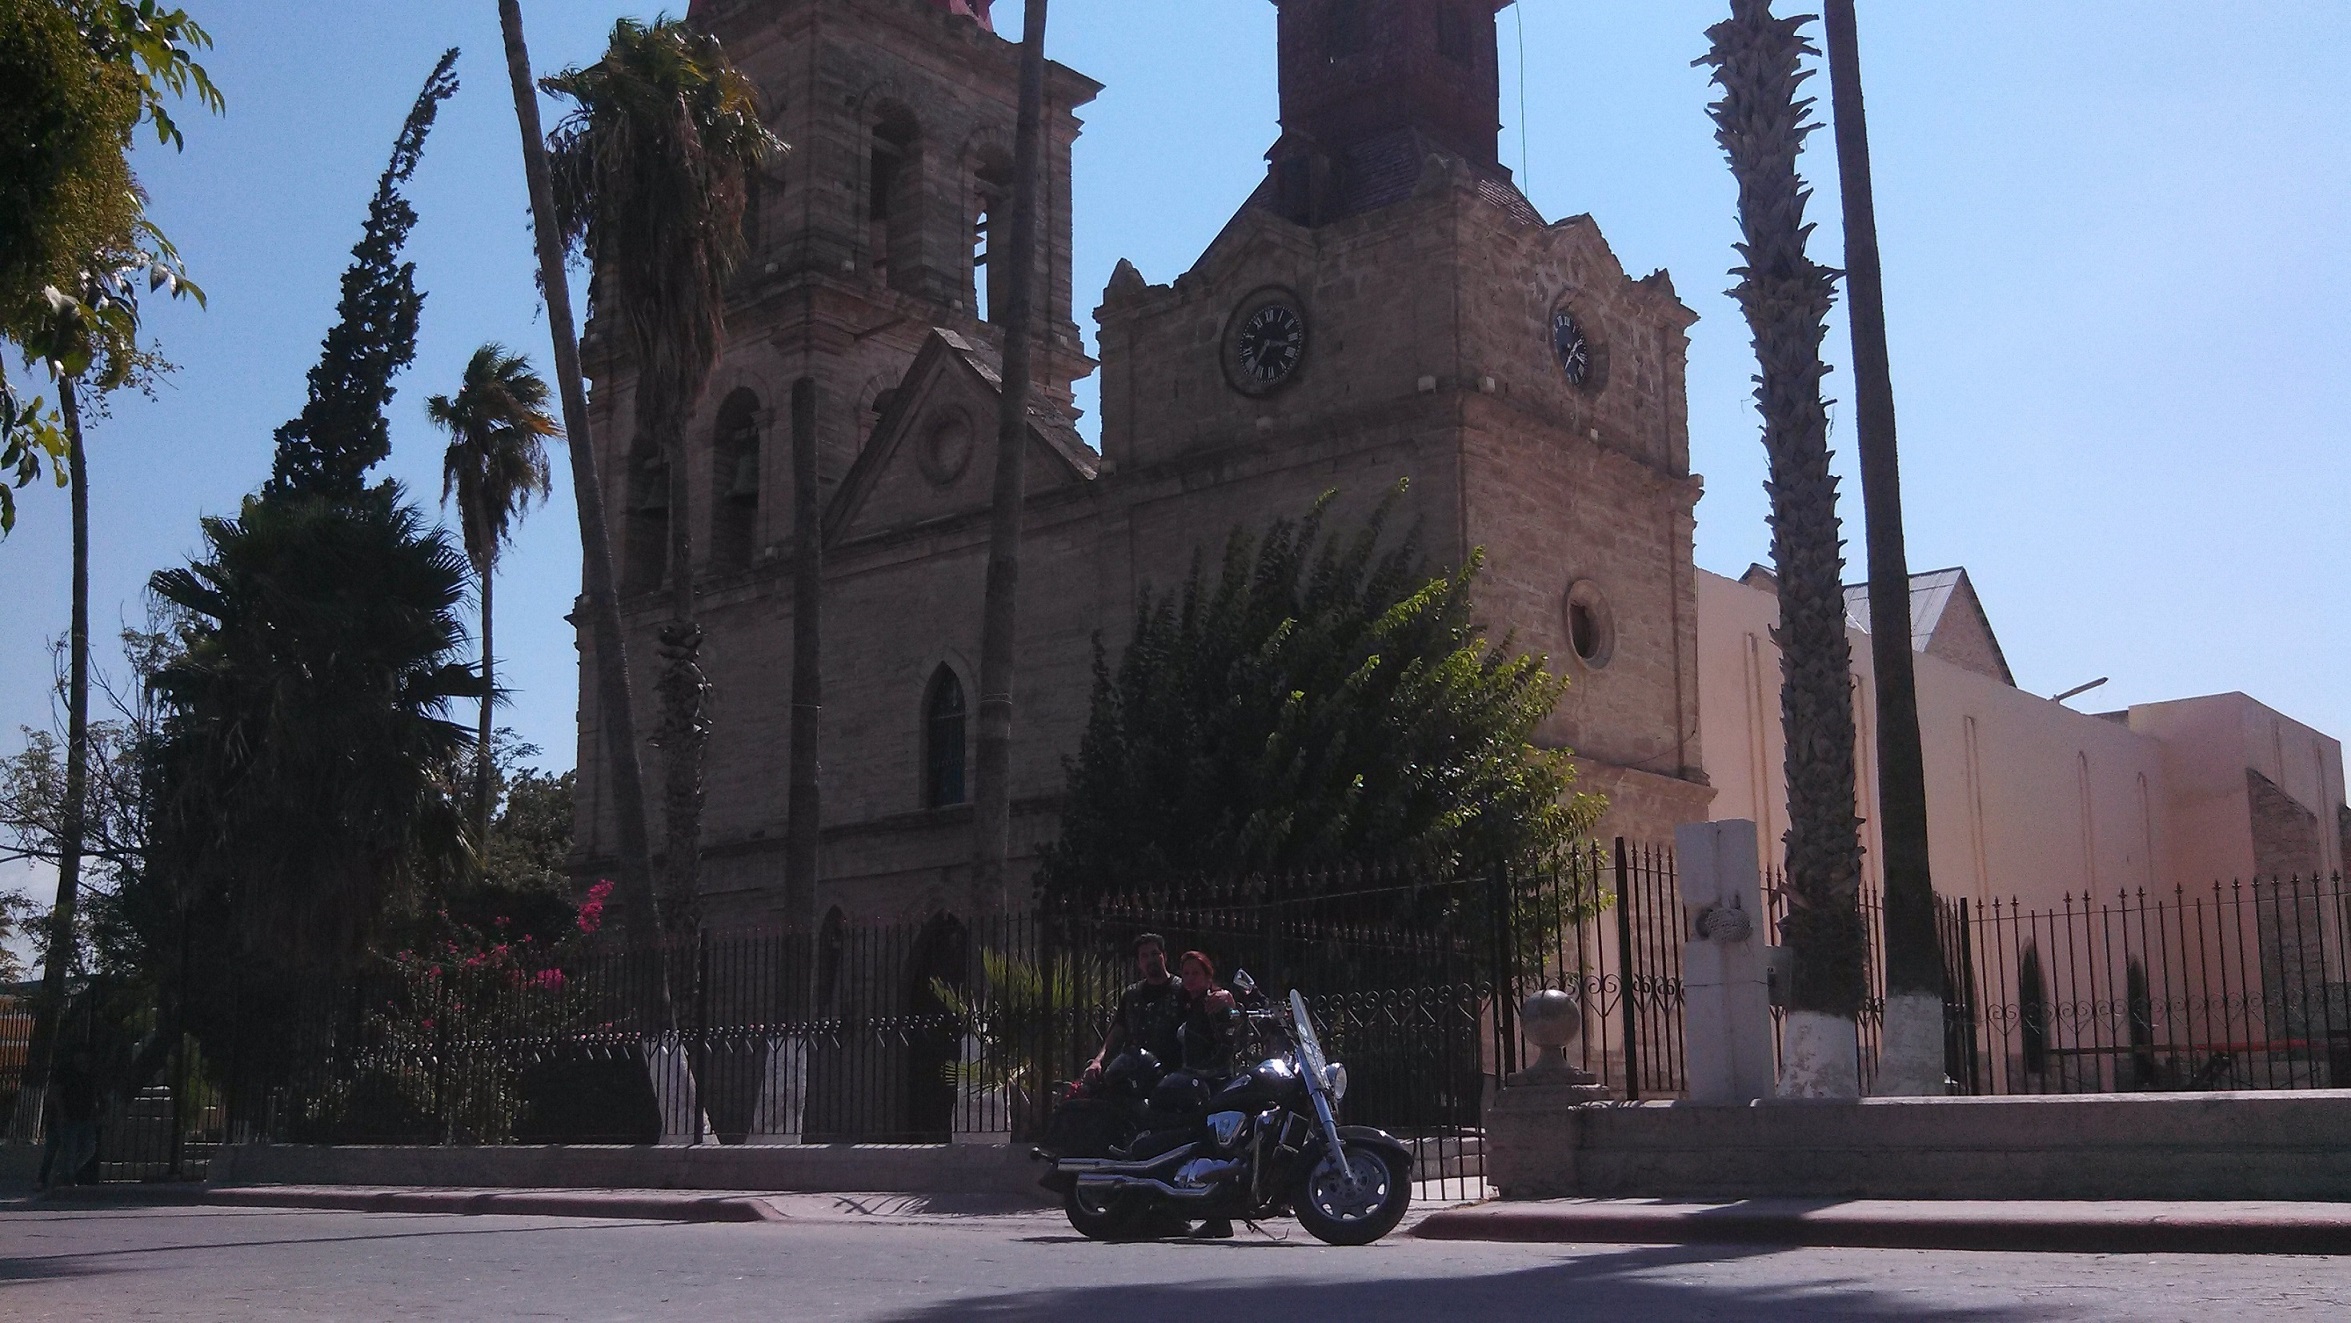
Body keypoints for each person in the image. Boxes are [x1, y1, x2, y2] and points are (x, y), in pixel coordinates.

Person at [1081, 933, 1185, 1091]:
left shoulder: (1183, 990)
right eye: (1144, 956)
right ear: (1139, 963)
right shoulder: (1132, 994)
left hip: (1172, 1076)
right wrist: (1098, 1061)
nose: (1150, 959)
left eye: (1154, 954)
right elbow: (1117, 1032)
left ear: (1164, 956)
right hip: (1135, 1073)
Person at [35, 1044, 101, 1192]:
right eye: (79, 1054)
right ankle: (57, 1179)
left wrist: (95, 1112)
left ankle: (63, 1175)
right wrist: (61, 1113)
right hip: (66, 1117)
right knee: (59, 1150)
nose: (83, 1058)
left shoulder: (91, 1073)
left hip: (85, 1117)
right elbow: (56, 1093)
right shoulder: (65, 1072)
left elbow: (94, 1094)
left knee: (89, 1148)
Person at [1175, 950, 1240, 1080]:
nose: (1190, 978)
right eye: (1186, 973)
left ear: (1207, 976)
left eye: (1195, 973)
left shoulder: (1214, 1004)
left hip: (1211, 1079)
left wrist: (1204, 1070)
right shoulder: (1184, 1002)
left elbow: (1226, 1045)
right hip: (1189, 1076)